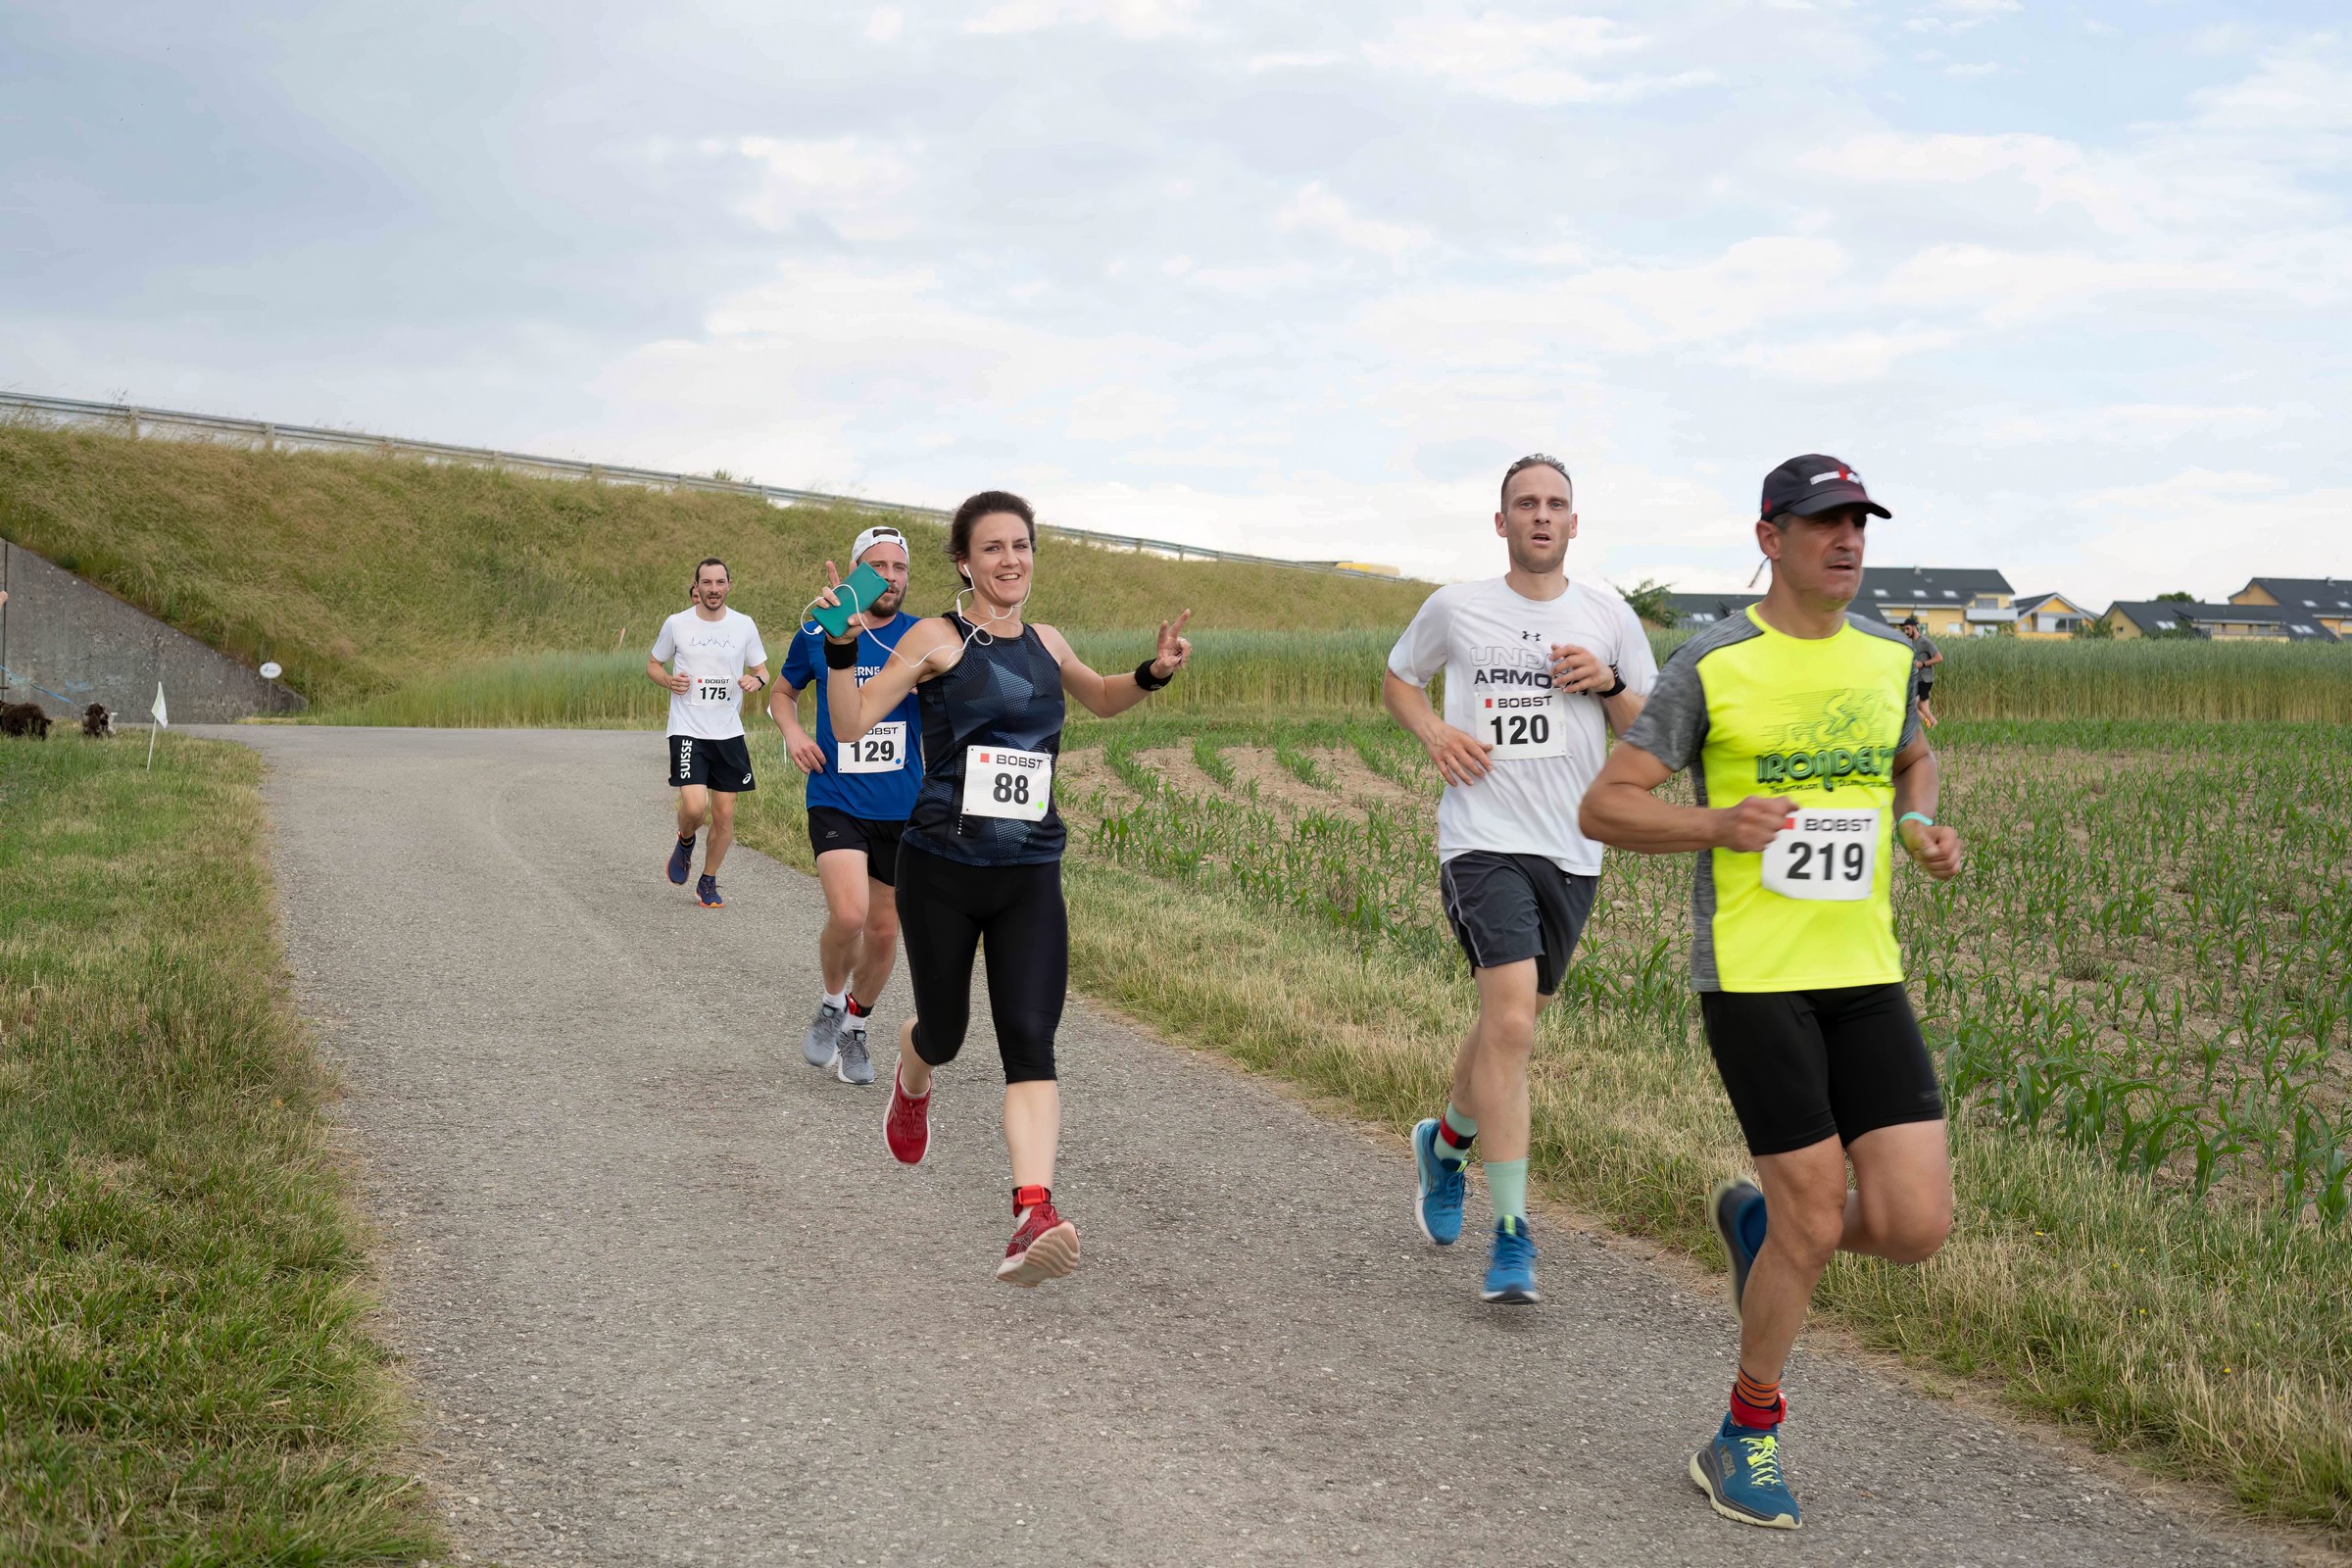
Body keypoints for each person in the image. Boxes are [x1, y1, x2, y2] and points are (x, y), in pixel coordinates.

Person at [1579, 455, 1965, 1532]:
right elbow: (1606, 806)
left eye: (1859, 524)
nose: (1847, 541)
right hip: (1753, 976)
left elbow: (1912, 759)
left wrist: (1919, 825)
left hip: (1865, 969)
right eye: (1824, 522)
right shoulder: (1713, 663)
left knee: (1915, 1223)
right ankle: (1744, 1434)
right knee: (1812, 1208)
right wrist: (1717, 823)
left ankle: (1759, 1225)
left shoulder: (1889, 655)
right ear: (1770, 538)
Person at [812, 490, 1191, 1287]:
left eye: (1021, 545)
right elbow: (850, 724)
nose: (1010, 559)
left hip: (1029, 872)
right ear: (964, 562)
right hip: (941, 872)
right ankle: (913, 1074)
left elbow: (1101, 697)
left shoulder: (1048, 642)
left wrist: (1152, 673)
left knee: (1030, 1039)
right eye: (992, 548)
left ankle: (1032, 1212)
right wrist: (842, 652)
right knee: (946, 1034)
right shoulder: (935, 637)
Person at [1385, 454, 1655, 1305]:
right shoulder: (1457, 607)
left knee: (1512, 1026)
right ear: (1501, 523)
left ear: (1574, 522)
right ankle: (1511, 1235)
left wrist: (1608, 682)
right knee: (1509, 1021)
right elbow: (1399, 679)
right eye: (1526, 503)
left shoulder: (1609, 615)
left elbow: (1648, 729)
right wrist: (1434, 731)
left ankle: (1447, 1144)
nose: (1542, 515)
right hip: (1481, 840)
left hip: (1573, 848)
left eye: (1556, 503)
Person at [772, 525, 924, 1086]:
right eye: (878, 566)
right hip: (835, 794)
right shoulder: (820, 627)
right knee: (851, 915)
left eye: (899, 567)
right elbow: (783, 692)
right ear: (858, 570)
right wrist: (793, 734)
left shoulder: (922, 637)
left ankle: (855, 1027)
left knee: (884, 932)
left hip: (902, 805)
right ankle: (831, 1001)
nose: (890, 577)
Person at [648, 559, 770, 908]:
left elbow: (762, 670)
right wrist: (668, 680)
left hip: (728, 732)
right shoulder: (677, 624)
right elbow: (653, 665)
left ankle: (708, 880)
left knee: (725, 815)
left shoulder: (744, 625)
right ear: (697, 586)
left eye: (719, 582)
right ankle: (686, 840)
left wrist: (756, 681)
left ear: (729, 584)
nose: (713, 589)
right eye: (707, 583)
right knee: (694, 806)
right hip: (687, 728)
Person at [1901, 617, 1942, 728]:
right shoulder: (1911, 643)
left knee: (1911, 706)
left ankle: (1931, 723)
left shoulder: (1925, 642)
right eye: (1904, 629)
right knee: (1922, 706)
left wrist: (1922, 664)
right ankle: (1932, 725)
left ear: (1914, 627)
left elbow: (1939, 658)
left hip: (1925, 679)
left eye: (1907, 629)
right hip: (1916, 679)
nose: (1905, 632)